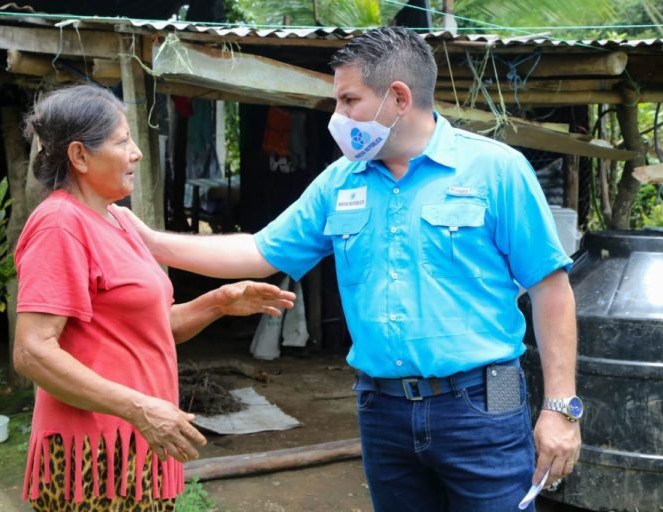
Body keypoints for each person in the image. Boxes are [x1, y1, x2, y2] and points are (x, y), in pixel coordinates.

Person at [124, 26, 582, 512]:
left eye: (348, 101)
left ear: (399, 98)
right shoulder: (339, 182)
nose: (337, 118)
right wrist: (151, 243)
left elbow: (551, 292)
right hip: (380, 406)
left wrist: (560, 409)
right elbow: (259, 251)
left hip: (489, 394)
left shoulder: (496, 170)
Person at [13, 84, 295, 512]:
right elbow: (33, 351)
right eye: (122, 141)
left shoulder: (119, 221)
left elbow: (150, 328)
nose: (136, 152)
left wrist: (218, 301)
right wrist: (140, 407)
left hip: (137, 441)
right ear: (80, 156)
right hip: (93, 453)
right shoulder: (60, 225)